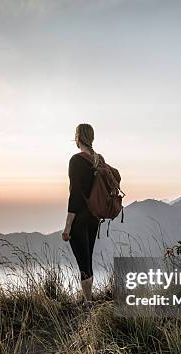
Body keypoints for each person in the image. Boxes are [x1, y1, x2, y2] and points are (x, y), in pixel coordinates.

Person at [62, 123, 100, 302]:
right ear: (91, 137)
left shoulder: (76, 161)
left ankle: (88, 303)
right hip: (94, 218)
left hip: (80, 218)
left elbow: (75, 195)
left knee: (83, 263)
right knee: (88, 259)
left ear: (78, 138)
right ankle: (89, 299)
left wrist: (68, 225)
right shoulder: (99, 159)